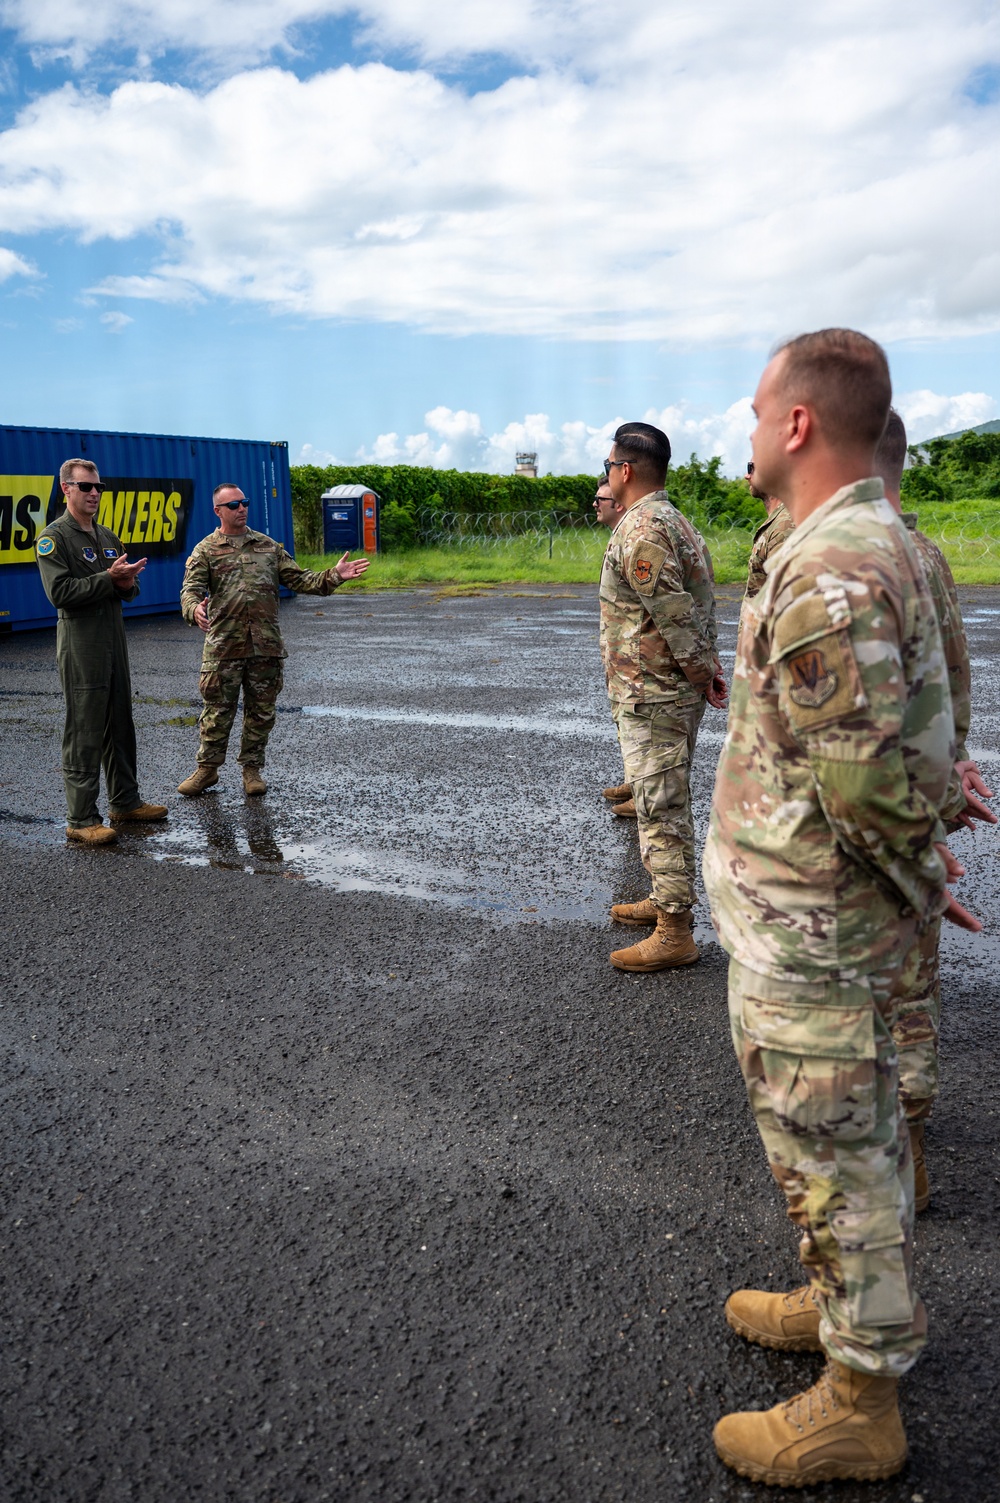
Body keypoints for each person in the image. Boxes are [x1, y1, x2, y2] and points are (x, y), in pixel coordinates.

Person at [703, 329, 981, 1486]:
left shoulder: (831, 568)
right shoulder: (876, 540)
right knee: (839, 1143)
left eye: (758, 407)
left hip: (812, 926)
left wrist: (916, 878)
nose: (749, 425)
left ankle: (862, 1399)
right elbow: (923, 721)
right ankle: (838, 1308)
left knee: (835, 1152)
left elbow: (864, 779)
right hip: (822, 911)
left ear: (798, 423)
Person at [874, 408, 996, 1210]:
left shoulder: (824, 556)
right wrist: (951, 781)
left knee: (856, 989)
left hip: (864, 811)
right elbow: (956, 681)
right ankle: (911, 1133)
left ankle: (878, 1167)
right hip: (921, 791)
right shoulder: (926, 553)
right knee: (916, 976)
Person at [599, 422, 726, 972]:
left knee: (659, 805)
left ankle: (675, 929)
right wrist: (703, 673)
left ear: (624, 471)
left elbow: (673, 615)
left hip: (656, 693)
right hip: (660, 688)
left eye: (608, 467)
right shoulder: (667, 519)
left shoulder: (644, 527)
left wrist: (702, 673)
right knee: (661, 797)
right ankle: (662, 898)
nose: (606, 475)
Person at [177, 483, 370, 796]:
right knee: (216, 713)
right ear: (218, 511)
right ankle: (207, 770)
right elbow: (190, 591)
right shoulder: (206, 550)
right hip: (224, 647)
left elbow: (302, 580)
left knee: (261, 713)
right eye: (233, 505)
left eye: (245, 502)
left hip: (265, 646)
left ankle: (251, 771)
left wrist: (335, 575)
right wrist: (193, 610)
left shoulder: (267, 547)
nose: (241, 509)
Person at [35, 458, 167, 845]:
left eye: (99, 487)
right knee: (85, 728)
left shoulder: (109, 538)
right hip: (81, 644)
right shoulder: (54, 538)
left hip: (114, 641)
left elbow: (130, 591)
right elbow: (59, 594)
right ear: (67, 489)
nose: (95, 493)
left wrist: (124, 583)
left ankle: (125, 801)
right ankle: (80, 818)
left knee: (120, 723)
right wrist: (107, 579)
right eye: (86, 487)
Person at [593, 478, 638, 821]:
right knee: (624, 719)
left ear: (618, 502)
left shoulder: (636, 537)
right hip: (619, 654)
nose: (595, 503)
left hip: (637, 655)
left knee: (639, 722)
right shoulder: (619, 536)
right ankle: (634, 780)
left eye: (601, 498)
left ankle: (645, 794)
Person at [743, 460, 794, 599]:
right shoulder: (779, 521)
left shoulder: (785, 527)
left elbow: (784, 600)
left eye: (751, 468)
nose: (747, 476)